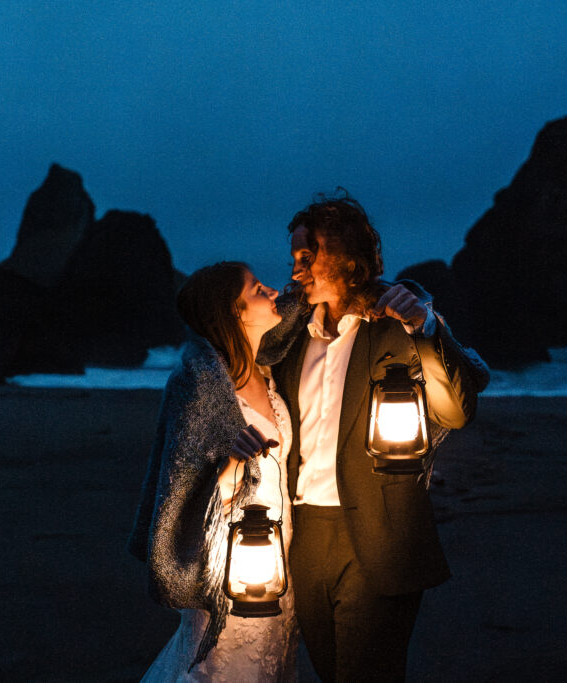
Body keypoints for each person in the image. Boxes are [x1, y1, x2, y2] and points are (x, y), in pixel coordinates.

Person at [258, 193, 489, 682]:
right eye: (294, 258)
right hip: (304, 536)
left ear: (344, 255)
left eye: (307, 257)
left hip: (381, 532)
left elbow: (456, 409)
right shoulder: (291, 335)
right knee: (329, 670)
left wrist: (424, 327)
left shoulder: (399, 322)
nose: (296, 270)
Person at [127, 262, 300, 682]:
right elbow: (180, 497)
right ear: (235, 312)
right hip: (231, 569)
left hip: (277, 563)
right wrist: (233, 466)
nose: (274, 291)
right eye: (259, 289)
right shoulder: (200, 386)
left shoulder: (267, 373)